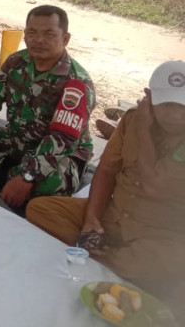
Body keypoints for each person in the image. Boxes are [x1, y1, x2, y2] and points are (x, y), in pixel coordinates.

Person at [26, 60, 185, 320]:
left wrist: (144, 129)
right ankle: (109, 255)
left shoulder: (142, 123)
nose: (177, 115)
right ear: (149, 97)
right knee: (41, 209)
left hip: (162, 233)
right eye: (168, 105)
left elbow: (155, 186)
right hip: (113, 215)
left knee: (172, 262)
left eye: (183, 106)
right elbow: (107, 170)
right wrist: (92, 219)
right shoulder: (132, 118)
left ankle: (102, 256)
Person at [0, 5, 95, 207]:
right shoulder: (16, 62)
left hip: (57, 155)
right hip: (17, 141)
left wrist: (28, 176)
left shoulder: (76, 83)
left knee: (52, 185)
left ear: (65, 39)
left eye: (49, 34)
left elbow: (61, 141)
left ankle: (12, 177)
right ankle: (11, 176)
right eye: (32, 32)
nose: (39, 39)